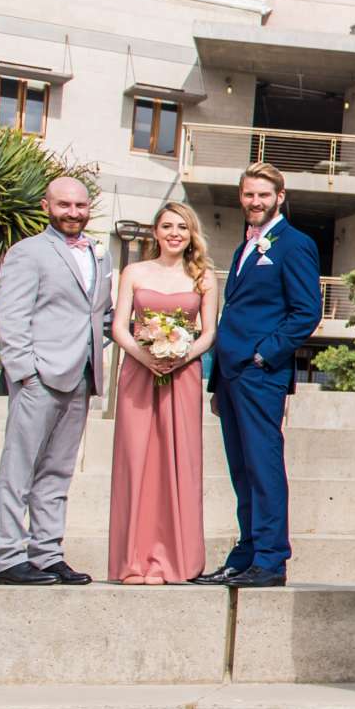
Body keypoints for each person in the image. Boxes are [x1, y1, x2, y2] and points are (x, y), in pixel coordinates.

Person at [194, 163, 322, 589]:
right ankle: (246, 552)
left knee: (263, 466)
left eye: (263, 195)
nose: (255, 202)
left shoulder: (295, 244)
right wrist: (218, 382)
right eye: (249, 195)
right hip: (231, 378)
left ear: (280, 197)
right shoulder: (244, 246)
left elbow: (306, 311)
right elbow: (235, 313)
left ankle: (270, 558)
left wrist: (263, 356)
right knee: (241, 469)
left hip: (259, 373)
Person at [0, 176, 111, 586]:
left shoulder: (99, 254)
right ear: (46, 206)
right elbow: (11, 316)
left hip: (82, 376)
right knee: (18, 469)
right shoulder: (27, 252)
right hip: (39, 377)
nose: (73, 212)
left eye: (80, 205)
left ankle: (47, 554)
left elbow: (101, 315)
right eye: (64, 205)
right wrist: (25, 371)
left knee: (58, 472)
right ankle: (7, 557)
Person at [107, 201, 218, 584]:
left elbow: (209, 332)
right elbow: (120, 326)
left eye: (182, 227)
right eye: (168, 226)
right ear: (155, 231)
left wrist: (181, 354)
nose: (175, 233)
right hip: (138, 373)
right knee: (135, 460)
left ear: (191, 234)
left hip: (182, 374)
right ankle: (132, 562)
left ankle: (177, 561)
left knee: (179, 461)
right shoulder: (134, 272)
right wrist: (144, 355)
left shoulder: (203, 277)